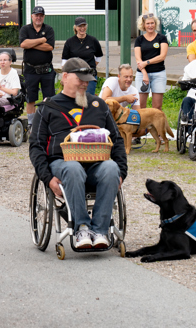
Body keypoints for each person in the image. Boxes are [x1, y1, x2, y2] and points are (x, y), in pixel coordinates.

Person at [29, 58, 127, 250]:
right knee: (73, 167)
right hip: (62, 165)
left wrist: (121, 172)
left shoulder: (99, 105)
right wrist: (47, 178)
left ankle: (99, 230)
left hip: (96, 165)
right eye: (80, 79)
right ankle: (81, 227)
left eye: (87, 80)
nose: (84, 83)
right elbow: (36, 146)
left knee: (111, 167)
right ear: (64, 77)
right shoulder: (48, 108)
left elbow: (116, 141)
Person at [19, 5, 55, 115]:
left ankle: (48, 122)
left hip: (46, 70)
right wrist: (41, 40)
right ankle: (31, 124)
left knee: (49, 99)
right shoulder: (25, 29)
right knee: (30, 99)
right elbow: (23, 44)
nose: (38, 17)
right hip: (30, 70)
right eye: (36, 15)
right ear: (32, 16)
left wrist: (31, 44)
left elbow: (49, 47)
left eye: (41, 15)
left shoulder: (48, 29)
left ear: (43, 17)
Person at [134, 13, 168, 110]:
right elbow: (138, 59)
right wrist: (144, 74)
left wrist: (147, 62)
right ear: (143, 25)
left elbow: (162, 56)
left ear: (155, 24)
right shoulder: (139, 40)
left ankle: (155, 125)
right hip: (142, 74)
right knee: (140, 106)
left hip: (159, 74)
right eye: (148, 23)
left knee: (157, 107)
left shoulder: (162, 38)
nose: (150, 26)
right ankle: (141, 125)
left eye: (152, 23)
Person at [61, 17, 103, 95]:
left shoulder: (93, 40)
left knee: (88, 98)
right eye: (80, 26)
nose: (82, 28)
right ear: (75, 27)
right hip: (75, 75)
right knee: (74, 97)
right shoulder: (70, 42)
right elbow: (65, 60)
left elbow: (99, 56)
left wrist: (91, 65)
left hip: (89, 75)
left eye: (84, 26)